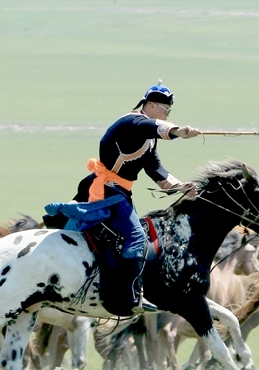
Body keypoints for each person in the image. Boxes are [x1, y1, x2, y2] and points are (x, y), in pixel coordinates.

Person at [72, 81, 201, 315]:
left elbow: (156, 169)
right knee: (136, 236)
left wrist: (181, 187)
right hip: (109, 191)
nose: (167, 114)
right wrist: (178, 131)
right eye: (166, 109)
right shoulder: (131, 122)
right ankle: (130, 296)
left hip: (120, 193)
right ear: (151, 105)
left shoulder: (148, 138)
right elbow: (152, 126)